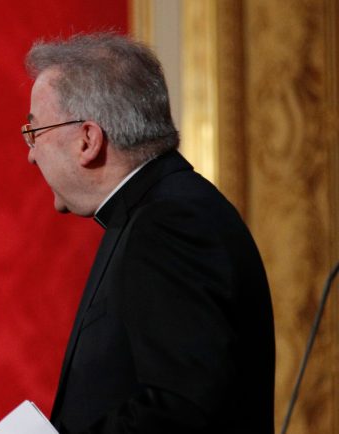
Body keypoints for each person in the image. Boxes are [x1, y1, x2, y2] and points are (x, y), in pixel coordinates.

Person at [21, 33, 274, 433]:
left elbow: (181, 411)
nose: (31, 153)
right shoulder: (152, 211)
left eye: (34, 131)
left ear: (88, 140)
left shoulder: (169, 223)